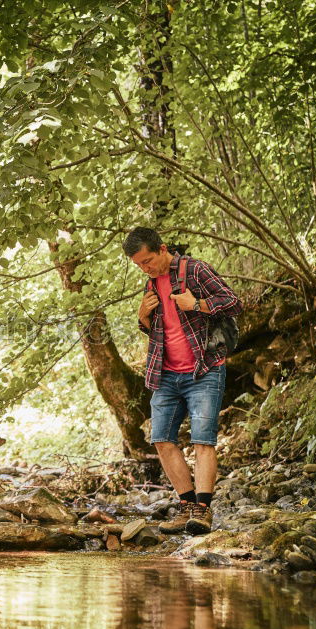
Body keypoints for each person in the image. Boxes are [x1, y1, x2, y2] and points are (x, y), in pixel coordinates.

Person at [123, 227, 242, 535]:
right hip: (165, 374)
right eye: (139, 265)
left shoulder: (195, 270)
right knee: (161, 440)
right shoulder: (150, 284)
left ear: (163, 249)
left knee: (203, 440)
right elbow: (159, 333)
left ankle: (202, 510)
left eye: (148, 260)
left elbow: (233, 302)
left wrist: (198, 305)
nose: (145, 268)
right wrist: (144, 318)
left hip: (203, 369)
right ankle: (187, 506)